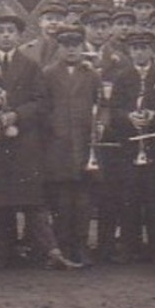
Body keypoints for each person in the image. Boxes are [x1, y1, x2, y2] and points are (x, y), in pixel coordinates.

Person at [0, 13, 66, 270]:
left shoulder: (30, 65)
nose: (6, 35)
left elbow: (41, 102)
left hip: (22, 141)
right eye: (0, 31)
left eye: (10, 31)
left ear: (18, 36)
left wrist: (16, 114)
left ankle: (48, 252)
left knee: (30, 199)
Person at [105, 29, 155, 262]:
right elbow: (113, 111)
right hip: (130, 146)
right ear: (129, 51)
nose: (140, 53)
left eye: (144, 48)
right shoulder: (122, 78)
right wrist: (128, 118)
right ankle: (128, 246)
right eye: (135, 48)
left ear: (152, 51)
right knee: (129, 197)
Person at [37, 26, 101, 268]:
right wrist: (53, 130)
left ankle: (81, 246)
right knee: (62, 202)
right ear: (59, 48)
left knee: (83, 202)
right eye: (66, 45)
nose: (72, 50)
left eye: (76, 45)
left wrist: (98, 128)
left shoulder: (91, 74)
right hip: (58, 147)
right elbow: (43, 108)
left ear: (82, 47)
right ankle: (62, 248)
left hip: (85, 146)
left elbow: (101, 105)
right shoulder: (48, 74)